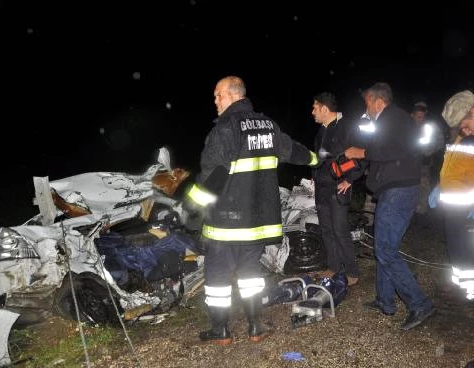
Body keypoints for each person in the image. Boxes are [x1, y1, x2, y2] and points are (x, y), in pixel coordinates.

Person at [185, 76, 319, 345]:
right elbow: (293, 151)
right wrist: (317, 158)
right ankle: (256, 327)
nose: (215, 101)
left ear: (234, 95)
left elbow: (213, 177)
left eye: (218, 95)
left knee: (218, 279)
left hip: (225, 224)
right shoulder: (268, 125)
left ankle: (221, 331)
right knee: (251, 276)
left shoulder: (225, 129)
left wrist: (189, 209)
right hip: (257, 223)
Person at [344, 82, 435, 331]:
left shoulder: (393, 118)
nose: (367, 109)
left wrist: (361, 152)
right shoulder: (397, 119)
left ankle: (419, 303)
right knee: (386, 246)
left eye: (367, 103)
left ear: (377, 101)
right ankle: (385, 301)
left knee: (384, 249)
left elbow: (390, 149)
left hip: (398, 191)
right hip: (395, 190)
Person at [310, 92, 360, 286]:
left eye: (315, 107)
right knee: (326, 230)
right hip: (321, 188)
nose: (312, 111)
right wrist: (313, 175)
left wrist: (350, 179)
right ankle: (334, 266)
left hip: (338, 188)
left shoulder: (347, 127)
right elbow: (319, 157)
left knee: (340, 231)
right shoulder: (321, 130)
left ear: (324, 108)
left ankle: (352, 272)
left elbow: (359, 155)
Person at [429, 103, 474, 300]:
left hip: (467, 206)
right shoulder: (461, 138)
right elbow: (452, 167)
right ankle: (461, 285)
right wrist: (440, 186)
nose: (464, 123)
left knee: (467, 248)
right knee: (456, 246)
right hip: (454, 206)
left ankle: (470, 289)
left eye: (470, 116)